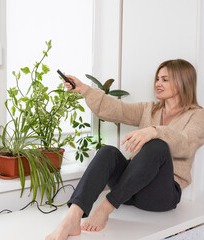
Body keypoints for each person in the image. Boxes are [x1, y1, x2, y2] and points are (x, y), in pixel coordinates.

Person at [46, 59, 204, 240]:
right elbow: (116, 109)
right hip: (129, 191)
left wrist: (154, 131)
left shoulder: (198, 115)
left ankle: (106, 207)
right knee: (107, 152)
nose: (157, 83)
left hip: (160, 195)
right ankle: (72, 219)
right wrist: (84, 89)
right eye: (157, 79)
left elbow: (187, 144)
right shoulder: (149, 110)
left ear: (183, 82)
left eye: (165, 79)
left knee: (158, 145)